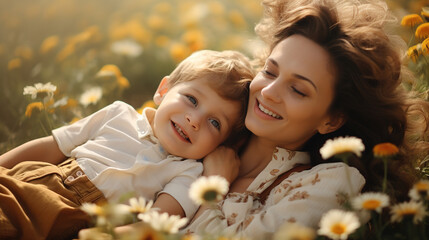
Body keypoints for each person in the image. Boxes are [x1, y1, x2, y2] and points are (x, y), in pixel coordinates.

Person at [184, 0, 429, 239]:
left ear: (331, 120)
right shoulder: (202, 126)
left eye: (298, 90)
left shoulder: (324, 186)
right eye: (270, 72)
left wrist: (211, 187)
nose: (268, 92)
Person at [0, 49, 255, 240]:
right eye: (191, 99)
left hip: (71, 220)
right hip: (27, 182)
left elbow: (155, 224)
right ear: (163, 90)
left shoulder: (188, 173)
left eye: (214, 122)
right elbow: (49, 147)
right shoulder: (118, 114)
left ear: (223, 144)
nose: (194, 120)